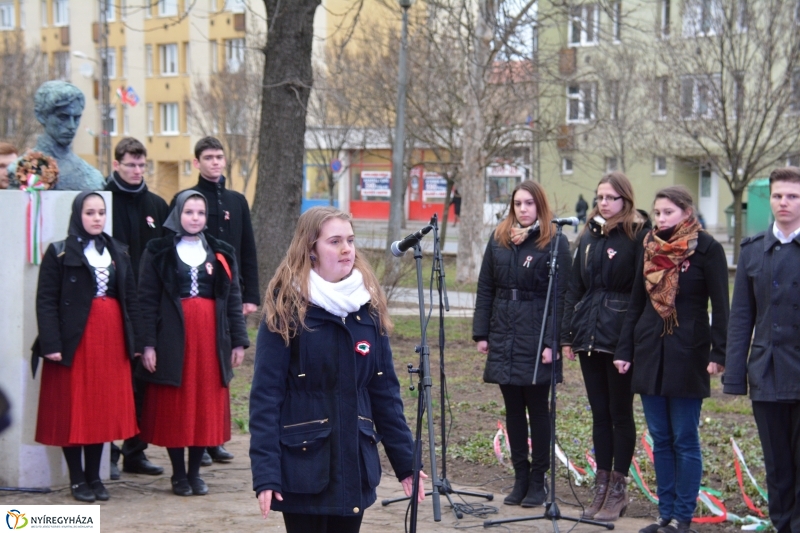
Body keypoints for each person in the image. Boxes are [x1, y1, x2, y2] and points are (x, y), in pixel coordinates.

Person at [249, 206, 423, 532]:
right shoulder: (287, 307)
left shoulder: (366, 308)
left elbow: (384, 391)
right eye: (334, 241)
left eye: (350, 240)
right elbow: (265, 396)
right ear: (311, 250)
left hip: (354, 461)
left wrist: (406, 462)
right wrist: (266, 473)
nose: (346, 249)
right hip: (305, 466)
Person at [614, 186, 729, 533]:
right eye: (658, 212)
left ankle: (683, 516)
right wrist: (624, 349)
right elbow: (636, 302)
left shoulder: (707, 248)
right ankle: (664, 515)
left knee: (684, 438)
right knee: (660, 437)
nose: (661, 219)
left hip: (688, 352)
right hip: (650, 349)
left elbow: (721, 306)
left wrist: (719, 353)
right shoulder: (648, 246)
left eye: (668, 212)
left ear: (686, 212)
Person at [136, 191, 249, 496]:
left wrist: (238, 341)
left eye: (200, 212)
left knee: (203, 404)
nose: (195, 218)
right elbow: (145, 300)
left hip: (211, 337)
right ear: (177, 214)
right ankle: (178, 474)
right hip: (173, 336)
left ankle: (195, 472)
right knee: (178, 404)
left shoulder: (222, 251)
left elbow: (233, 299)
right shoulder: (158, 250)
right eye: (189, 212)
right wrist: (147, 344)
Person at [33, 191, 141, 502]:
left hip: (111, 339)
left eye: (101, 213)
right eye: (90, 212)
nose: (96, 218)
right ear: (78, 215)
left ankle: (95, 476)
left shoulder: (118, 251)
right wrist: (51, 344)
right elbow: (46, 301)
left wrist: (136, 341)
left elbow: (130, 300)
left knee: (100, 409)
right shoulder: (59, 253)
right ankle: (77, 479)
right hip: (74, 340)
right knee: (75, 408)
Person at [473, 180, 571, 507]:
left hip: (536, 331)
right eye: (518, 203)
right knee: (513, 408)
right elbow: (486, 285)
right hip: (503, 330)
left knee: (537, 408)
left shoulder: (554, 243)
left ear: (539, 206)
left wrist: (551, 342)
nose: (523, 209)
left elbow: (561, 297)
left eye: (529, 203)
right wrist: (482, 332)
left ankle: (539, 480)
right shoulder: (500, 238)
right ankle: (521, 477)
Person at [561, 172, 650, 520]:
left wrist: (628, 344)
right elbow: (574, 287)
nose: (604, 203)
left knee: (619, 412)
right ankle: (600, 485)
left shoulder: (638, 235)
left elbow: (638, 295)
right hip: (589, 335)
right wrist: (569, 334)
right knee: (599, 412)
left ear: (625, 200)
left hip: (620, 337)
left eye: (611, 198)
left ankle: (618, 488)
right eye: (600, 197)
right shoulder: (588, 235)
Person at [725, 167, 800, 533]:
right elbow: (741, 319)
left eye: (793, 196)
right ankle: (782, 523)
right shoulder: (754, 251)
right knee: (777, 462)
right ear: (769, 199)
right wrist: (734, 375)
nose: (784, 202)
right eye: (778, 196)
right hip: (768, 371)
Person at [175, 136, 259, 464]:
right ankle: (195, 435)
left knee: (223, 366)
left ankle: (214, 438)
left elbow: (247, 250)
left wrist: (250, 296)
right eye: (208, 157)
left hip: (229, 297)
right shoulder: (186, 200)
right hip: (198, 297)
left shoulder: (237, 201)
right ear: (197, 162)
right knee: (197, 367)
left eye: (219, 157)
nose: (215, 162)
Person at [104, 137, 169, 480]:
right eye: (130, 164)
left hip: (149, 306)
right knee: (114, 381)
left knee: (143, 380)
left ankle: (135, 450)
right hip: (113, 305)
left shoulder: (157, 205)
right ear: (116, 165)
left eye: (142, 165)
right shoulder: (102, 202)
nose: (136, 171)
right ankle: (107, 453)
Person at [31, 81, 105, 190]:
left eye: (76, 118)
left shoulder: (92, 177)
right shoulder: (20, 171)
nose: (71, 126)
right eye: (63, 117)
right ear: (41, 116)